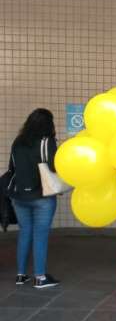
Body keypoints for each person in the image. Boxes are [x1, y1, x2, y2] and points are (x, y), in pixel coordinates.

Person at [7, 108, 60, 288]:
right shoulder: (47, 141)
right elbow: (54, 167)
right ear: (48, 124)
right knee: (40, 236)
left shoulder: (18, 141)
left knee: (25, 233)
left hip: (19, 195)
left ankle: (21, 275)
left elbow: (12, 167)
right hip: (41, 196)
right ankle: (40, 277)